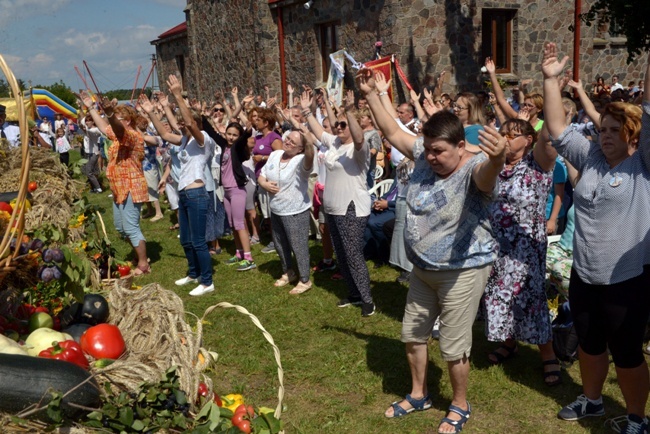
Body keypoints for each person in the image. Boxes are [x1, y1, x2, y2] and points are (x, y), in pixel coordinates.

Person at [358, 68, 506, 433]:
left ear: (460, 145)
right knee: (412, 334)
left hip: (462, 271)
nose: (431, 157)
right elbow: (393, 131)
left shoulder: (474, 169)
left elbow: (488, 174)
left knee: (453, 347)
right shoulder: (426, 156)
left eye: (439, 150)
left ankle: (459, 404)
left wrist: (499, 158)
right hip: (423, 268)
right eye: (427, 149)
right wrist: (374, 94)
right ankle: (419, 394)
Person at [543, 43, 650, 433]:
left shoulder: (643, 164)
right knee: (589, 344)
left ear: (633, 134)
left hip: (627, 279)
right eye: (601, 129)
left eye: (614, 130)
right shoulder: (589, 157)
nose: (604, 135)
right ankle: (591, 401)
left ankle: (637, 419)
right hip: (584, 274)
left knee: (627, 353)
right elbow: (556, 129)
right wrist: (551, 80)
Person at [481, 118, 562, 387]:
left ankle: (548, 355)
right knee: (496, 295)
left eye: (512, 135)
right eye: (502, 133)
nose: (505, 138)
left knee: (531, 298)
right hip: (496, 246)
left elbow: (549, 137)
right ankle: (509, 342)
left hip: (525, 248)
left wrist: (550, 89)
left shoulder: (537, 166)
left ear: (528, 140)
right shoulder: (495, 166)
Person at [301, 89, 376, 316]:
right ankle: (353, 293)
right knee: (341, 253)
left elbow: (360, 137)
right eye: (338, 125)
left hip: (352, 207)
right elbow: (317, 130)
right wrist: (307, 110)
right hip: (332, 207)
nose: (339, 128)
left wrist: (348, 112)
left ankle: (367, 300)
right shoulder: (334, 143)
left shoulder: (359, 149)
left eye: (344, 125)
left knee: (353, 253)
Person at [140, 76, 216, 296]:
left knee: (199, 241)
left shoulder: (204, 141)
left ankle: (207, 281)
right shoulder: (184, 141)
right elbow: (164, 134)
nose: (181, 125)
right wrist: (152, 112)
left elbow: (191, 123)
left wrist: (176, 95)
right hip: (184, 195)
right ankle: (194, 274)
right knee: (185, 239)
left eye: (184, 123)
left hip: (197, 194)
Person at [79, 91, 150, 276]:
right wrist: (91, 108)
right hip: (119, 187)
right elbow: (104, 127)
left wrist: (110, 114)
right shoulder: (119, 137)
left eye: (119, 118)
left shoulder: (132, 135)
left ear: (128, 121)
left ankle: (143, 264)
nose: (114, 121)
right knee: (120, 227)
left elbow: (116, 128)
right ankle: (139, 253)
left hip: (132, 187)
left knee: (131, 228)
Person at [258, 128, 316, 294]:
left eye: (293, 142)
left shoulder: (301, 160)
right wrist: (264, 184)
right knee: (279, 244)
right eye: (288, 138)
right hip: (276, 208)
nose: (288, 142)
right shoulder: (276, 154)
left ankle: (305, 279)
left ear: (300, 149)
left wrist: (309, 142)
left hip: (295, 210)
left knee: (298, 246)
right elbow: (262, 174)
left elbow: (310, 157)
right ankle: (288, 271)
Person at [79, 115, 103, 193]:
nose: (87, 122)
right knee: (90, 171)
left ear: (93, 122)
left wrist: (85, 129)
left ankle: (99, 188)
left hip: (94, 153)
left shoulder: (96, 130)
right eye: (86, 121)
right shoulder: (87, 129)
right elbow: (81, 122)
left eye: (89, 120)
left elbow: (91, 132)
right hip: (87, 153)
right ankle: (93, 188)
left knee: (89, 171)